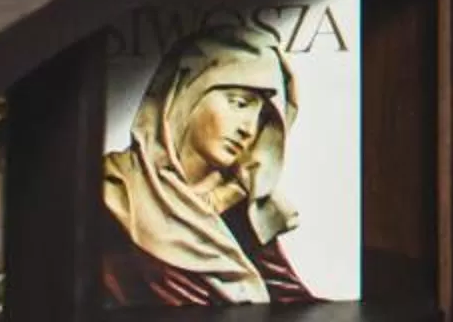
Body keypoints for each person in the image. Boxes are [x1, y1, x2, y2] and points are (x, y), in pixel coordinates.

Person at [99, 16, 317, 305]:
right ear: (188, 92)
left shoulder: (244, 210)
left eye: (261, 117)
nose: (248, 129)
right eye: (238, 103)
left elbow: (294, 305)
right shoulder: (114, 190)